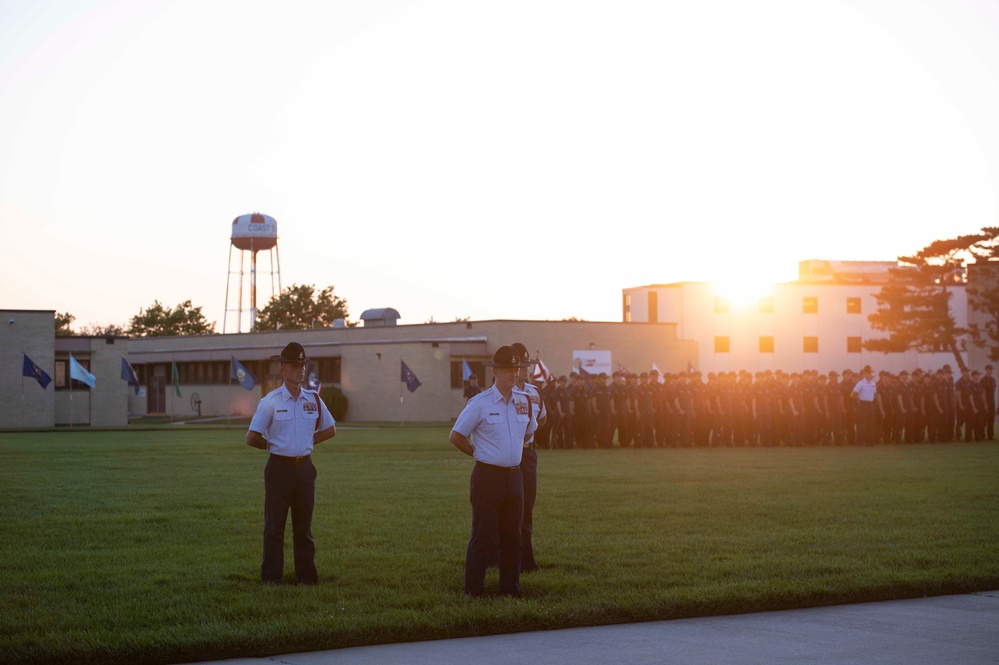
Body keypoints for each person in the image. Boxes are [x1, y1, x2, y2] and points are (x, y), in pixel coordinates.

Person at [246, 342, 337, 585]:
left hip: (305, 470)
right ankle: (271, 578)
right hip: (279, 470)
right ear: (282, 369)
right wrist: (275, 445)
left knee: (303, 528)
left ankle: (306, 577)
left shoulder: (313, 400)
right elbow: (251, 437)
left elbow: (330, 430)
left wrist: (305, 443)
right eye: (295, 365)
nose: (300, 370)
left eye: (303, 365)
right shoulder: (271, 402)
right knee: (275, 527)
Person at [449, 345, 535, 597]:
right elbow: (456, 436)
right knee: (483, 536)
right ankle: (473, 591)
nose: (514, 373)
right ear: (495, 371)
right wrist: (479, 453)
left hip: (515, 477)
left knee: (513, 537)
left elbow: (529, 430)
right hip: (488, 478)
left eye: (517, 368)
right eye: (508, 369)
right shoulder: (480, 403)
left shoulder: (524, 401)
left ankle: (510, 589)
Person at [511, 342, 546, 572]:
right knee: (507, 507)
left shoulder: (534, 392)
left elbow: (543, 417)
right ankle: (500, 556)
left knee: (527, 507)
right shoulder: (506, 392)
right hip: (509, 455)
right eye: (522, 365)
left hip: (528, 453)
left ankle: (526, 560)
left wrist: (529, 432)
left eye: (527, 364)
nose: (526, 369)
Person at [851, 366, 877, 446]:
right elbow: (852, 394)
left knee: (871, 424)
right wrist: (859, 398)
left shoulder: (873, 383)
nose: (871, 374)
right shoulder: (861, 383)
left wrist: (871, 399)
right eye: (869, 373)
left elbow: (875, 393)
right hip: (863, 404)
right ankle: (859, 442)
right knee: (862, 424)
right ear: (865, 374)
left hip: (870, 404)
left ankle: (869, 442)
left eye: (871, 373)